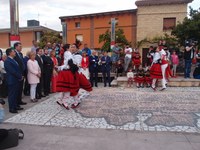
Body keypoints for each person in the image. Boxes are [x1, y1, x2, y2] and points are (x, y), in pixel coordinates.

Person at [56, 44, 92, 109]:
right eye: (71, 47)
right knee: (68, 88)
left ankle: (74, 101)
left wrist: (69, 66)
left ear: (77, 49)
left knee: (74, 88)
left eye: (74, 47)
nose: (72, 48)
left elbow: (75, 66)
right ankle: (63, 100)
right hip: (71, 73)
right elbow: (66, 64)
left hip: (76, 74)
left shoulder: (78, 56)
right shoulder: (69, 54)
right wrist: (60, 67)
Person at [4, 48, 23, 113]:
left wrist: (20, 76)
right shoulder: (7, 61)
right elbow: (12, 71)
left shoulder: (13, 60)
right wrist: (19, 76)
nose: (15, 53)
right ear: (10, 53)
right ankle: (11, 108)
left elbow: (17, 69)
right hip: (12, 80)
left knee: (15, 94)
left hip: (16, 79)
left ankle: (15, 106)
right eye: (13, 52)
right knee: (12, 94)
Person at [13, 42, 26, 107]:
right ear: (16, 47)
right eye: (20, 46)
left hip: (22, 73)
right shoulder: (14, 54)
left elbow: (22, 63)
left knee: (21, 88)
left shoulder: (20, 54)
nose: (21, 48)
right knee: (17, 89)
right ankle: (16, 102)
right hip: (17, 74)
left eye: (21, 46)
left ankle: (19, 100)